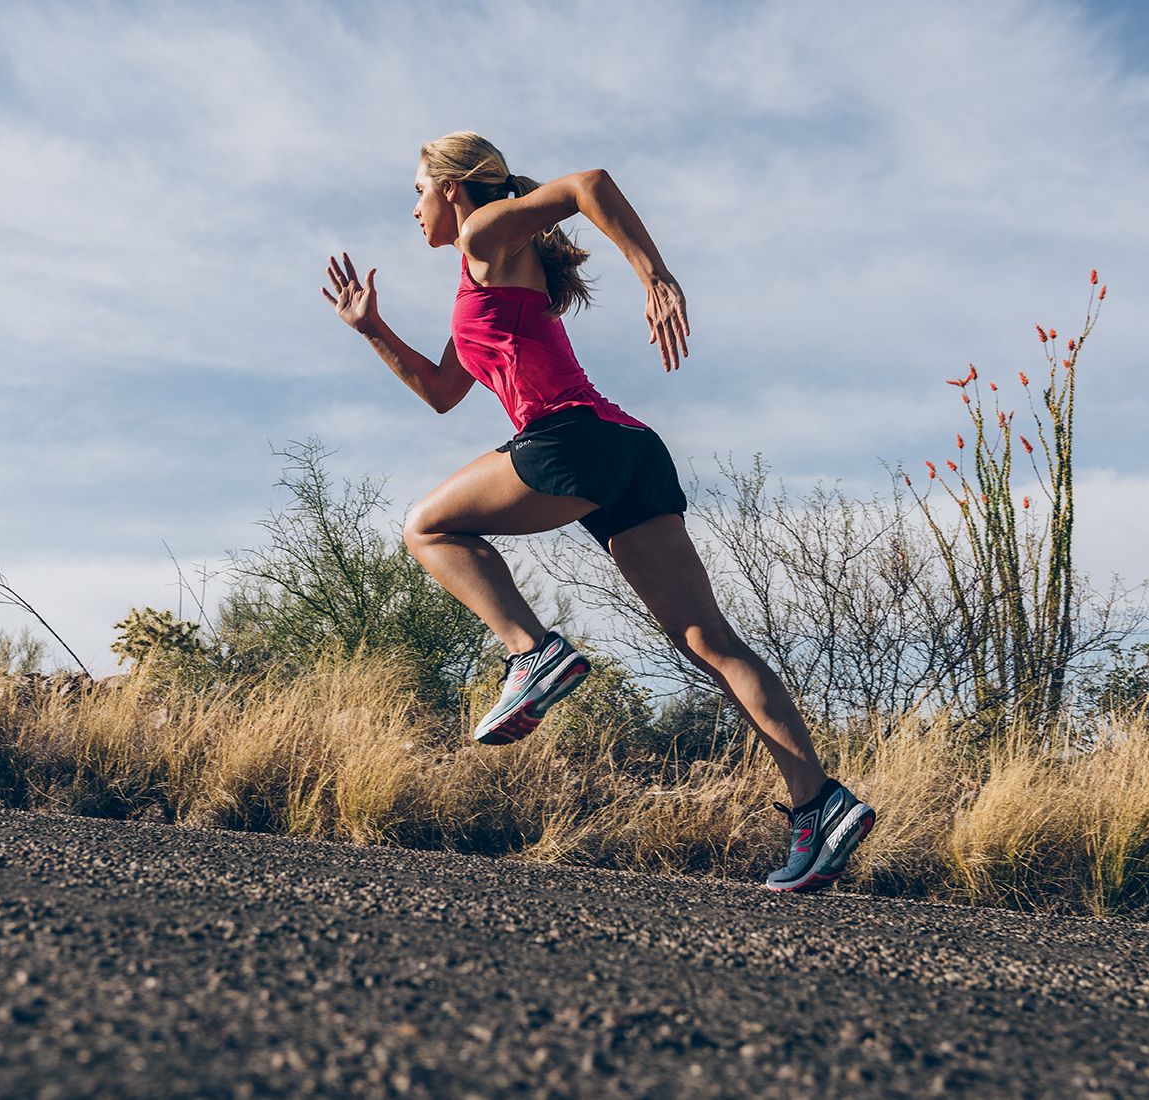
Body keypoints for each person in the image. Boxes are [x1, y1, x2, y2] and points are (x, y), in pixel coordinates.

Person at [320, 131, 875, 892]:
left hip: (571, 438)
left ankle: (531, 653)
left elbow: (589, 182)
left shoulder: (485, 231)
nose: (413, 208)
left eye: (418, 189)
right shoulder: (480, 275)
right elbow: (443, 393)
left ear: (453, 188)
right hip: (629, 450)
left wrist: (656, 275)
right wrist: (371, 328)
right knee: (708, 641)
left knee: (427, 526)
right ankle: (820, 805)